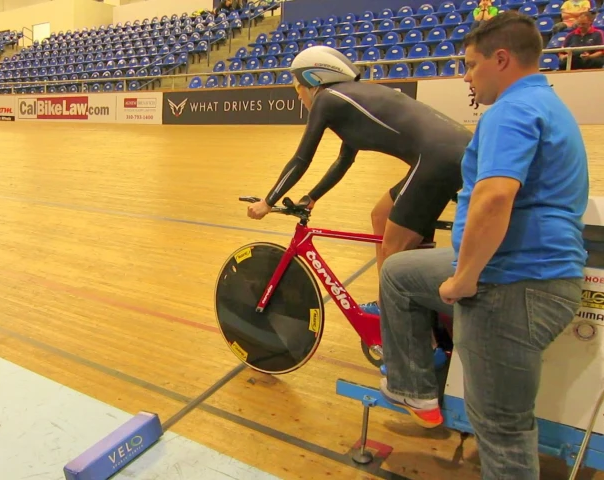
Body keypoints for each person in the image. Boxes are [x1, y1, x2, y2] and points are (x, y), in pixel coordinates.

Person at [377, 11, 587, 479]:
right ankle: (413, 387)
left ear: (502, 59)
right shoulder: (546, 103)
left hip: (512, 284)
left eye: (471, 65)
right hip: (535, 273)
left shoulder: (509, 111)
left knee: (502, 429)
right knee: (399, 272)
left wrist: (464, 279)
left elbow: (494, 197)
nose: (466, 75)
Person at [245, 46, 472, 315]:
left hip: (436, 159)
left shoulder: (327, 99)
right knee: (381, 215)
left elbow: (301, 159)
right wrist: (312, 197)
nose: (298, 96)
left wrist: (268, 201)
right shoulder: (351, 99)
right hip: (446, 154)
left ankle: (413, 334)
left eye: (297, 88)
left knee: (392, 252)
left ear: (314, 80)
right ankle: (388, 304)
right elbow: (344, 160)